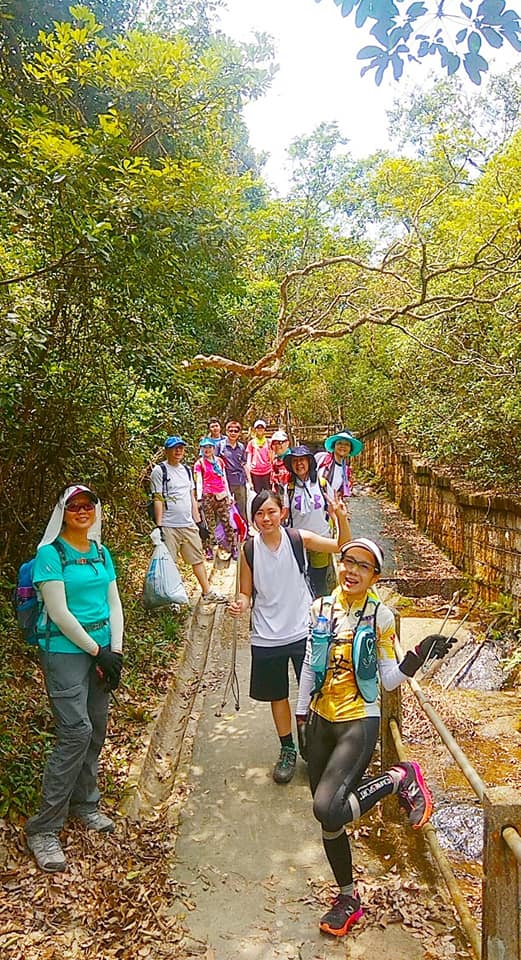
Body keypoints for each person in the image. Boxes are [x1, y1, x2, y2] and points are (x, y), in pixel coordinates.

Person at [296, 537, 454, 937]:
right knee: (330, 820)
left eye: (363, 566)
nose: (352, 570)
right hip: (319, 719)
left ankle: (400, 778)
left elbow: (386, 678)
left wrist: (419, 653)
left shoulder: (379, 616)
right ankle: (347, 897)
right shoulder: (320, 609)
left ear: (375, 576)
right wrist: (300, 716)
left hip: (358, 720)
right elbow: (309, 671)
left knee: (326, 807)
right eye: (348, 561)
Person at [24, 484, 124, 873]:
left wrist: (115, 650)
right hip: (66, 653)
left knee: (96, 727)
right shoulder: (50, 554)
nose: (82, 511)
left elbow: (113, 601)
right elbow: (60, 612)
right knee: (75, 731)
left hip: (101, 651)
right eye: (74, 506)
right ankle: (43, 828)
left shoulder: (101, 552)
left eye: (88, 505)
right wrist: (98, 652)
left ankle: (86, 804)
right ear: (63, 512)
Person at [228, 489, 351, 786]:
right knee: (278, 695)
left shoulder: (298, 539)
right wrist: (240, 604)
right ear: (253, 518)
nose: (266, 518)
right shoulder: (249, 550)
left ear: (282, 512)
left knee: (314, 691)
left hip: (303, 629)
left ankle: (315, 745)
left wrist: (340, 517)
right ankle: (287, 749)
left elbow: (341, 546)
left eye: (271, 512)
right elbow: (246, 592)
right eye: (259, 514)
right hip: (266, 634)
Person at [151, 436, 226, 602]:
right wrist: (159, 526)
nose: (178, 451)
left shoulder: (186, 470)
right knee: (170, 563)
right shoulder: (159, 471)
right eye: (174, 448)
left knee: (197, 559)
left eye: (181, 448)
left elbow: (191, 497)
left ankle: (207, 592)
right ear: (166, 450)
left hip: (188, 523)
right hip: (169, 525)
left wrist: (199, 522)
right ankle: (172, 598)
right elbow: (157, 498)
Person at [283, 445, 334, 598]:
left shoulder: (322, 483)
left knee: (320, 580)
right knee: (300, 578)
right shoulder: (289, 487)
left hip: (321, 539)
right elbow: (285, 513)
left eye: (302, 460)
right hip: (299, 541)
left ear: (309, 462)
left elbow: (332, 509)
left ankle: (320, 610)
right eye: (295, 461)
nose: (299, 464)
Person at [194, 437, 237, 560]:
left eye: (209, 447)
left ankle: (233, 547)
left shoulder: (219, 462)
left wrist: (228, 494)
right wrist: (199, 498)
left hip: (221, 495)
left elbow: (224, 479)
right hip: (207, 496)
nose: (207, 450)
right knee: (209, 524)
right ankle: (209, 549)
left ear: (213, 448)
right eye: (204, 447)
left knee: (227, 522)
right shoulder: (199, 464)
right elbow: (199, 481)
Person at [316, 430, 363, 499]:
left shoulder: (346, 471)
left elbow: (340, 492)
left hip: (331, 505)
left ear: (350, 449)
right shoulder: (321, 458)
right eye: (339, 443)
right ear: (334, 446)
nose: (343, 446)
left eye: (347, 444)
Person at [218, 419, 248, 521]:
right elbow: (215, 463)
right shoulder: (220, 446)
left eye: (236, 431)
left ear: (239, 433)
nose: (233, 433)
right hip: (225, 482)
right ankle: (227, 532)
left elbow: (244, 464)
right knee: (225, 508)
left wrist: (250, 481)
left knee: (242, 507)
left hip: (240, 481)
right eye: (231, 431)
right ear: (226, 432)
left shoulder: (241, 447)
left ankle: (244, 531)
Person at [246, 419, 272, 493]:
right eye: (258, 428)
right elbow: (249, 458)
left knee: (268, 494)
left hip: (267, 471)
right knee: (258, 495)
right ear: (255, 429)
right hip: (255, 472)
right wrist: (249, 470)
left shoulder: (269, 442)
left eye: (262, 427)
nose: (260, 429)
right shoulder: (251, 443)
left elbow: (272, 456)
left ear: (264, 429)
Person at [269, 429, 291, 495]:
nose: (277, 446)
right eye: (274, 443)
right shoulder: (275, 462)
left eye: (280, 443)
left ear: (287, 443)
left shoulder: (294, 459)